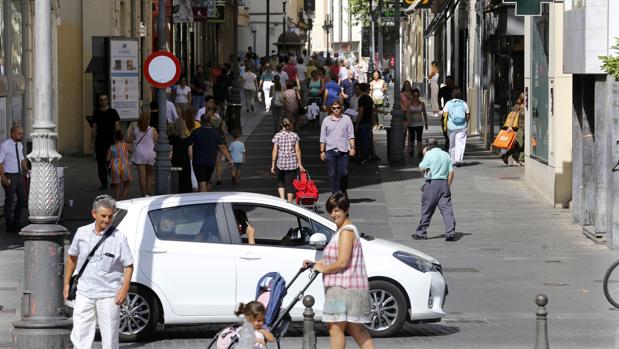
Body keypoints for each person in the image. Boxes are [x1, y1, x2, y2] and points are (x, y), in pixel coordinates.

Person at [302, 193, 375, 349]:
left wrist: (321, 268)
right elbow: (336, 258)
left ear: (346, 209)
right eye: (331, 211)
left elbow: (342, 262)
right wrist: (316, 263)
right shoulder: (342, 230)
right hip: (349, 288)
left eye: (336, 210)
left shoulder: (346, 231)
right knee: (356, 329)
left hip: (343, 289)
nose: (333, 215)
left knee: (335, 329)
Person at [64, 195, 134, 349]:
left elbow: (128, 265)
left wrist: (124, 289)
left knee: (109, 338)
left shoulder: (119, 237)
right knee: (80, 335)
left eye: (110, 216)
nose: (107, 220)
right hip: (84, 293)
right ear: (94, 214)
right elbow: (71, 258)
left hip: (109, 295)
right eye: (103, 216)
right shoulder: (81, 233)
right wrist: (66, 284)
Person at [412, 138, 456, 241]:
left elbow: (421, 168)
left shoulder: (428, 154)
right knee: (447, 209)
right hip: (444, 184)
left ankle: (421, 232)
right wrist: (447, 185)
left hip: (432, 184)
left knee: (427, 209)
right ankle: (450, 232)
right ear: (437, 144)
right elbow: (451, 172)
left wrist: (424, 155)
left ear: (427, 146)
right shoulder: (446, 155)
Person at [188, 113, 233, 192]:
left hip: (199, 160)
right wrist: (229, 158)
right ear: (210, 121)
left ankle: (204, 201)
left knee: (202, 182)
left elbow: (189, 145)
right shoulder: (215, 132)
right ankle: (209, 198)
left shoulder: (195, 132)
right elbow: (222, 147)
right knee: (207, 181)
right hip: (211, 161)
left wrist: (190, 157)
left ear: (201, 121)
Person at [320, 101, 355, 195]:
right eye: (334, 108)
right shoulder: (326, 120)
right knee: (333, 174)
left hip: (343, 150)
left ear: (341, 108)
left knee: (344, 173)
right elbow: (323, 137)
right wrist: (322, 151)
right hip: (330, 150)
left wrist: (352, 148)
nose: (336, 110)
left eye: (338, 108)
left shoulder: (347, 119)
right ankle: (335, 194)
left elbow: (351, 135)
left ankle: (343, 191)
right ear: (331, 109)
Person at [0, 125, 28, 232]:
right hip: (9, 176)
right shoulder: (5, 145)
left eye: (22, 133)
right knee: (9, 201)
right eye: (19, 133)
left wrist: (26, 170)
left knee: (22, 199)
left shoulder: (19, 145)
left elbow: (22, 159)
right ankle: (9, 224)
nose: (21, 135)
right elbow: (0, 162)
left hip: (19, 175)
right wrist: (3, 178)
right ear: (13, 134)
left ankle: (16, 221)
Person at [91, 93, 121, 190]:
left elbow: (117, 127)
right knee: (100, 163)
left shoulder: (113, 112)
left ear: (108, 100)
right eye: (101, 100)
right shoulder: (96, 113)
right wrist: (91, 141)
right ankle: (104, 183)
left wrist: (119, 140)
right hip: (99, 141)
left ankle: (113, 180)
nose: (103, 101)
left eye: (105, 99)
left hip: (110, 141)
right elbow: (94, 128)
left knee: (111, 162)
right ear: (99, 101)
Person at [271, 118, 305, 202]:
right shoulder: (294, 135)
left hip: (281, 163)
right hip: (292, 163)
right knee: (290, 183)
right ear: (289, 125)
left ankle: (282, 200)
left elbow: (275, 150)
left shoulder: (277, 136)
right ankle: (289, 203)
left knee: (280, 181)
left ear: (281, 125)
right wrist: (300, 164)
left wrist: (273, 164)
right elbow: (297, 150)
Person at [128, 112, 158, 197]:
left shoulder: (136, 129)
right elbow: (156, 141)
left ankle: (143, 194)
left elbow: (129, 139)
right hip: (151, 153)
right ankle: (148, 193)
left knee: (142, 176)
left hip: (139, 154)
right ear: (149, 120)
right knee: (150, 174)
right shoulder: (153, 130)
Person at [443, 87, 470, 167]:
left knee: (452, 144)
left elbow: (445, 114)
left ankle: (452, 160)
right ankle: (458, 160)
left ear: (452, 94)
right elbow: (468, 114)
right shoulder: (464, 103)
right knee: (460, 143)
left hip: (451, 127)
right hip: (462, 127)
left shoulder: (448, 103)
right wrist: (466, 122)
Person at [501, 92, 526, 166]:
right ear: (522, 99)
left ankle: (520, 159)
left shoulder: (528, 106)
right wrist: (510, 127)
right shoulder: (517, 106)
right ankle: (506, 155)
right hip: (519, 129)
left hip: (527, 129)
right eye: (525, 98)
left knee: (525, 145)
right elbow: (512, 117)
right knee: (519, 145)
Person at [168, 118, 192, 193]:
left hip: (175, 161)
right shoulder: (188, 139)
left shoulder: (171, 138)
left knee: (175, 180)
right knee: (185, 181)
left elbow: (170, 152)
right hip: (185, 161)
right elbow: (190, 154)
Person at [106, 130, 132, 200]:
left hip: (115, 168)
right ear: (122, 137)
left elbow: (107, 159)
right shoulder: (125, 145)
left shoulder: (111, 147)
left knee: (117, 187)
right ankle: (123, 199)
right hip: (125, 167)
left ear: (114, 138)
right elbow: (132, 150)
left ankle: (117, 201)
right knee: (126, 185)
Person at [405, 87, 428, 158]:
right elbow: (407, 113)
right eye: (414, 96)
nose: (416, 97)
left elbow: (424, 113)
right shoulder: (409, 104)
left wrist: (426, 123)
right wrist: (408, 121)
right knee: (412, 138)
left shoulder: (422, 104)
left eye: (417, 96)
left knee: (419, 138)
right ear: (412, 96)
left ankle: (419, 151)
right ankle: (411, 150)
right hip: (411, 124)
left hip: (419, 124)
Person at [355, 83, 374, 164]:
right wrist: (372, 122)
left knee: (363, 140)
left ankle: (364, 157)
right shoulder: (369, 98)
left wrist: (357, 123)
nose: (370, 90)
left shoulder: (362, 99)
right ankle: (366, 156)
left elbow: (361, 112)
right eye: (369, 89)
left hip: (363, 122)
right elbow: (372, 112)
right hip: (368, 121)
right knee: (366, 139)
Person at [438, 76, 455, 150]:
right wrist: (439, 106)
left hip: (455, 111)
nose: (447, 82)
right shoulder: (443, 89)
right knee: (444, 125)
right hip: (446, 110)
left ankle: (451, 140)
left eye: (449, 81)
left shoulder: (456, 89)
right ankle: (447, 138)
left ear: (452, 81)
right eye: (446, 81)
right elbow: (439, 97)